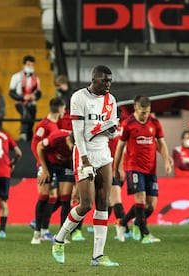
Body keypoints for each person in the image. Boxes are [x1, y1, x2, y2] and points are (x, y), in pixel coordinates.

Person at [52, 65, 119, 267]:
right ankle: (59, 239)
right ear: (93, 79)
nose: (107, 84)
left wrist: (112, 130)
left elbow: (113, 131)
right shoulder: (79, 97)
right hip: (84, 153)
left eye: (110, 81)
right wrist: (84, 159)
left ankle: (98, 256)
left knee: (103, 203)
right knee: (86, 204)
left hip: (104, 154)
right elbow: (78, 133)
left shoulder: (111, 100)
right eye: (104, 81)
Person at [115, 96, 173, 244]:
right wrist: (117, 168)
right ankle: (145, 234)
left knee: (151, 205)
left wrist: (166, 160)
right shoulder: (127, 123)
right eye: (142, 112)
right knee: (140, 200)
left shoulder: (154, 122)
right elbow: (120, 147)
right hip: (134, 167)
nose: (145, 115)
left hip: (150, 169)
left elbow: (161, 143)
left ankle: (124, 222)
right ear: (135, 108)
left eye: (147, 112)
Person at [30, 97, 66, 243]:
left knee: (53, 196)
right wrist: (41, 164)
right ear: (59, 109)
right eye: (64, 108)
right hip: (45, 166)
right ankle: (37, 232)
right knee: (44, 196)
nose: (64, 111)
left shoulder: (54, 124)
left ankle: (44, 230)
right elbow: (35, 145)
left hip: (53, 166)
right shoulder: (44, 125)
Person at [31, 130, 74, 244]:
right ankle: (37, 233)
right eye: (71, 146)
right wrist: (44, 169)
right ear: (68, 140)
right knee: (44, 196)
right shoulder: (57, 138)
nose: (71, 149)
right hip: (48, 163)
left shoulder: (79, 142)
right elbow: (39, 146)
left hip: (66, 165)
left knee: (65, 198)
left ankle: (62, 236)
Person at [9, 55, 42, 141]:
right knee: (26, 115)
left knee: (31, 122)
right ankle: (23, 134)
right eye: (28, 65)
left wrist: (34, 97)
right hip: (20, 103)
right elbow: (11, 93)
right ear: (23, 65)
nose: (30, 67)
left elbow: (39, 93)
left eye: (32, 65)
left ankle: (29, 140)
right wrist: (23, 98)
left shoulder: (36, 78)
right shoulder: (16, 77)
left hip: (32, 104)